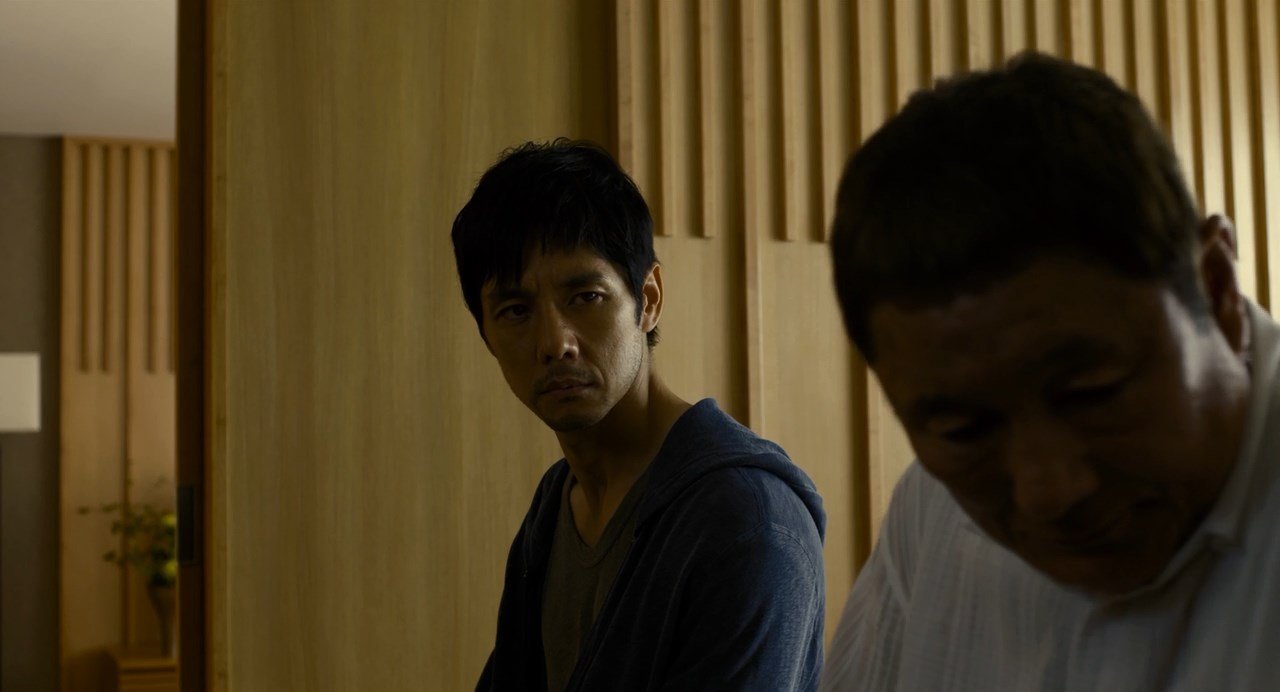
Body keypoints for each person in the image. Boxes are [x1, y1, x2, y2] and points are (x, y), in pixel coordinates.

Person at [820, 52, 1280, 690]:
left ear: (1218, 289)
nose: (1051, 491)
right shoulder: (932, 511)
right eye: (964, 431)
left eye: (1092, 395)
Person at [452, 139, 826, 691]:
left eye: (586, 297)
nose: (555, 343)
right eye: (515, 311)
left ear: (647, 298)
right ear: (486, 334)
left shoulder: (748, 520)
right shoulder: (557, 505)